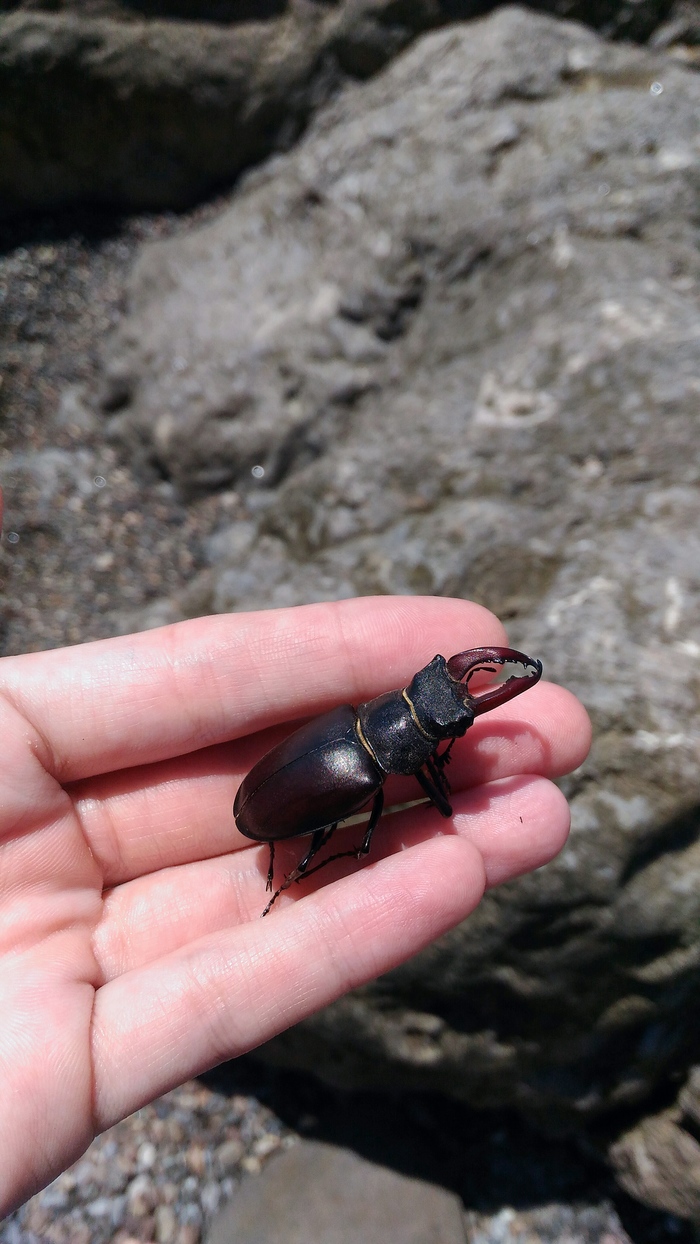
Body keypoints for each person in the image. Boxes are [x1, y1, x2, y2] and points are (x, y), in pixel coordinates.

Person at [0, 587, 590, 1217]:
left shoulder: (343, 717)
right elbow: (434, 802)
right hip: (288, 802)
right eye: (431, 697)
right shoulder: (366, 771)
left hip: (292, 778)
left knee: (359, 838)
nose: (443, 701)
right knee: (362, 840)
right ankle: (294, 874)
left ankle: (294, 873)